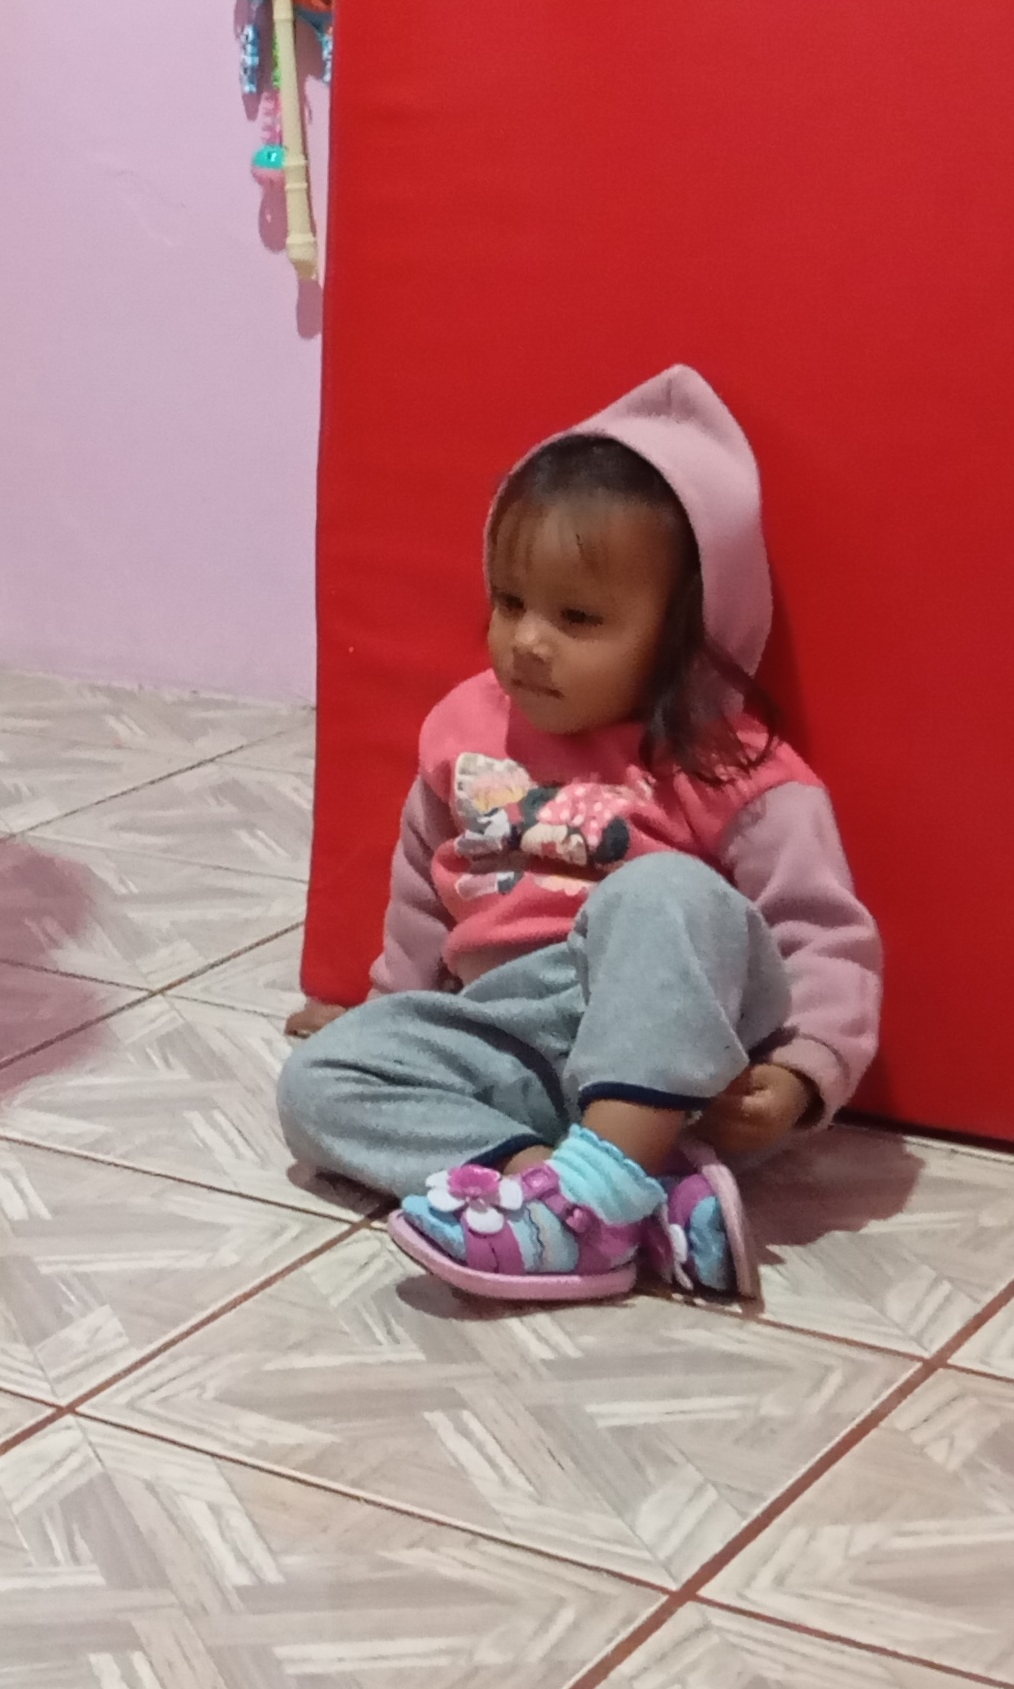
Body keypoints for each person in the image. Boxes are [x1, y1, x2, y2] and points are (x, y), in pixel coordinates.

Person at [280, 370, 883, 1304]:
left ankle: (607, 1177)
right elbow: (421, 885)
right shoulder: (462, 731)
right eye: (510, 601)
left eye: (578, 618)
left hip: (671, 1045)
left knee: (663, 892)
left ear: (683, 634)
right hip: (506, 1034)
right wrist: (388, 1009)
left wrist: (804, 1075)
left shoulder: (733, 764)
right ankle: (579, 1196)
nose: (527, 640)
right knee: (317, 1085)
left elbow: (822, 934)